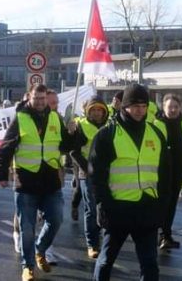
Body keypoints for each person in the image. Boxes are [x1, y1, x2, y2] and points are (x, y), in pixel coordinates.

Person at [89, 83, 170, 281]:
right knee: (106, 260)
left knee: (150, 265)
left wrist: (162, 207)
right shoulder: (107, 135)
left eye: (144, 106)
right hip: (118, 208)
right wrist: (102, 205)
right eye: (135, 106)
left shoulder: (156, 134)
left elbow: (166, 174)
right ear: (124, 106)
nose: (140, 111)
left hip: (147, 208)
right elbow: (96, 176)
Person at [0, 84, 75, 281]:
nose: (40, 102)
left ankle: (40, 250)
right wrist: (1, 173)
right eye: (36, 98)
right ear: (30, 98)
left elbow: (66, 146)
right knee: (27, 228)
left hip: (50, 180)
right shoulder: (21, 117)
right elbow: (6, 147)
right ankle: (28, 266)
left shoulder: (55, 117)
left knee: (56, 220)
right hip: (27, 181)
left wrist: (74, 133)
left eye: (43, 99)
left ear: (47, 99)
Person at [154, 93, 182, 250]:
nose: (172, 110)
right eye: (169, 107)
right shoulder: (156, 124)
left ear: (180, 107)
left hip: (178, 173)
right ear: (163, 107)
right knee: (161, 205)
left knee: (171, 205)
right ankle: (160, 235)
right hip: (160, 174)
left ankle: (166, 236)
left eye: (175, 107)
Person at [70, 95, 109, 259]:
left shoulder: (110, 125)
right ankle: (92, 244)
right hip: (87, 174)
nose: (97, 113)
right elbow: (74, 151)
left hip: (108, 175)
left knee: (105, 209)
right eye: (93, 110)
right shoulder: (81, 126)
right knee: (91, 210)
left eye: (100, 110)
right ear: (88, 111)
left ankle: (103, 239)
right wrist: (88, 169)